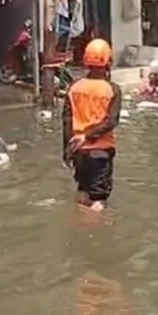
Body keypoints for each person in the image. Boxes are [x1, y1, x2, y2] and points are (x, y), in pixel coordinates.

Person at [62, 39, 122, 212]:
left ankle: (78, 228)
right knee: (98, 200)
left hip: (78, 151)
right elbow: (111, 121)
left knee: (82, 193)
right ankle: (96, 235)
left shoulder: (74, 87)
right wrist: (88, 136)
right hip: (100, 151)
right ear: (108, 61)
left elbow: (67, 121)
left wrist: (67, 150)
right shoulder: (112, 89)